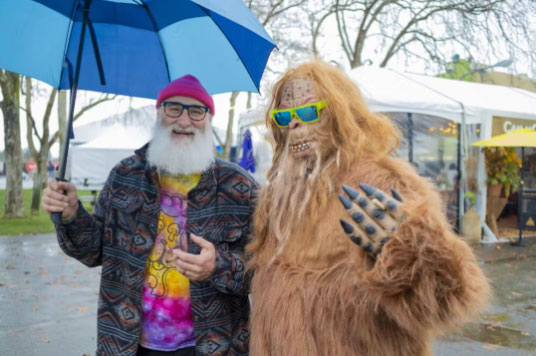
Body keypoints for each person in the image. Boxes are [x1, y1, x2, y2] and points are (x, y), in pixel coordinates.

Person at [247, 61, 490, 356]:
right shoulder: (277, 199)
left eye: (309, 111)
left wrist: (409, 255)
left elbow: (448, 298)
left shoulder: (381, 181)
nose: (294, 123)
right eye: (284, 115)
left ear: (340, 114)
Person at [42, 75, 257, 356]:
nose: (184, 120)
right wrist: (71, 216)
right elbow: (93, 251)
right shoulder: (124, 175)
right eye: (173, 108)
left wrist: (218, 266)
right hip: (127, 343)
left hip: (214, 344)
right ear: (159, 113)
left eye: (196, 111)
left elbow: (267, 268)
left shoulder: (238, 186)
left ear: (208, 119)